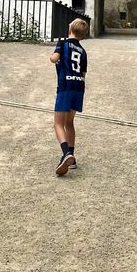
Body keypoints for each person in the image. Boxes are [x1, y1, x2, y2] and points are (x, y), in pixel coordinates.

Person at [50, 18, 89, 176]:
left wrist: (51, 58)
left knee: (58, 124)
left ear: (69, 29)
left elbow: (55, 58)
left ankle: (66, 153)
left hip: (65, 86)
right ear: (83, 37)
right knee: (69, 122)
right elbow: (84, 73)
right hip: (79, 87)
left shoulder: (63, 43)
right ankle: (72, 158)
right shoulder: (83, 51)